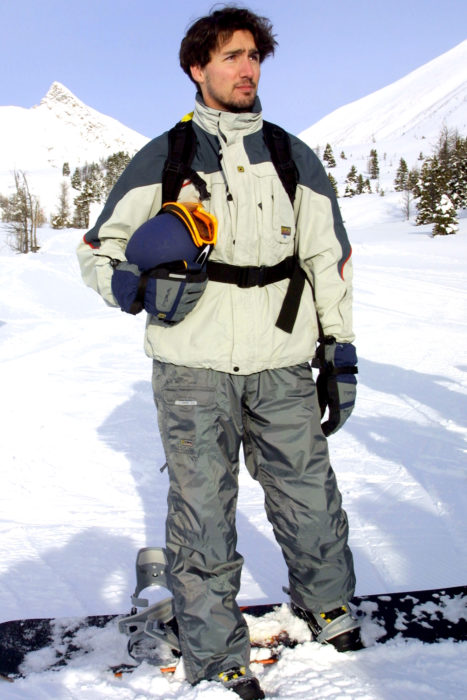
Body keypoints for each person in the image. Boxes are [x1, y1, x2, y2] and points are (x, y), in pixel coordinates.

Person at [77, 7, 360, 699]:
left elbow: (329, 259)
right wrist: (128, 284)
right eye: (231, 56)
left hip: (282, 359)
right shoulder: (165, 157)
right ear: (197, 68)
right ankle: (215, 653)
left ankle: (328, 606)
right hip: (191, 367)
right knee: (202, 513)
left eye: (253, 57)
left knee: (309, 498)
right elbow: (98, 250)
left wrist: (340, 351)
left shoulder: (293, 155)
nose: (246, 69)